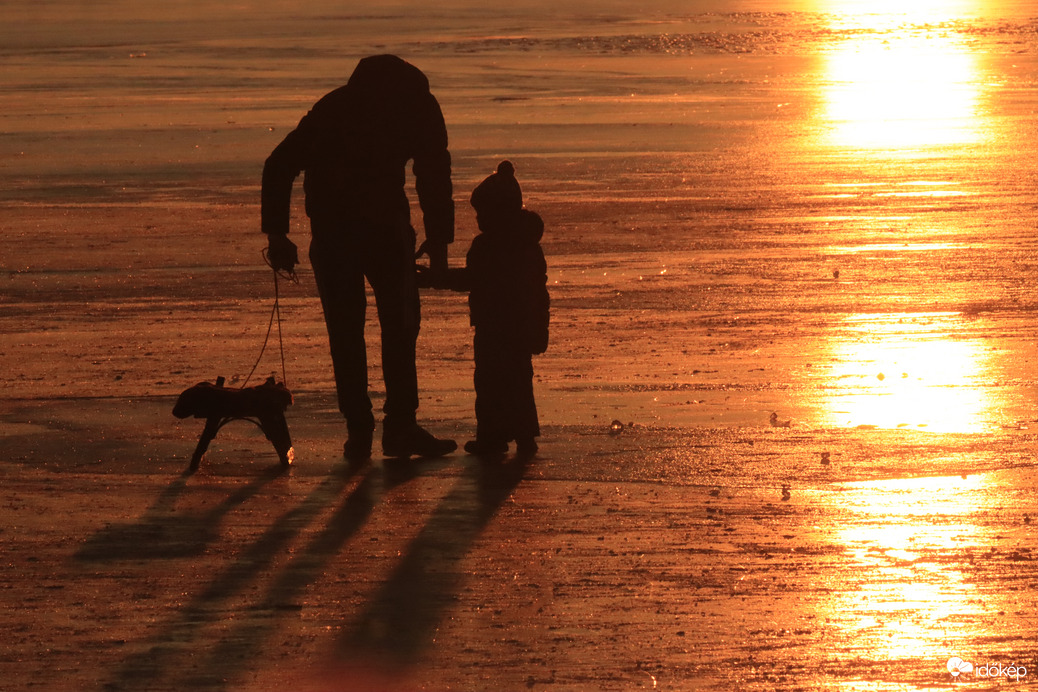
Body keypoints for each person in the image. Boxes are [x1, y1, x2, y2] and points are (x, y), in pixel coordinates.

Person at [261, 54, 457, 460]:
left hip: (339, 233)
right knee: (399, 328)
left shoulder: (335, 106)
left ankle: (362, 430)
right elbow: (433, 174)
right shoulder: (415, 107)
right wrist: (438, 244)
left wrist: (279, 235)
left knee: (348, 332)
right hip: (379, 231)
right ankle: (396, 427)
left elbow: (279, 165)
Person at [420, 161, 549, 457]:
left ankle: (493, 436)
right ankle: (522, 434)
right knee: (517, 380)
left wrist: (434, 279)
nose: (479, 220)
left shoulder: (490, 246)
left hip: (495, 327)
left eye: (482, 213)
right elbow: (537, 293)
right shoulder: (527, 245)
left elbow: (474, 279)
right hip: (517, 327)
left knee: (491, 382)